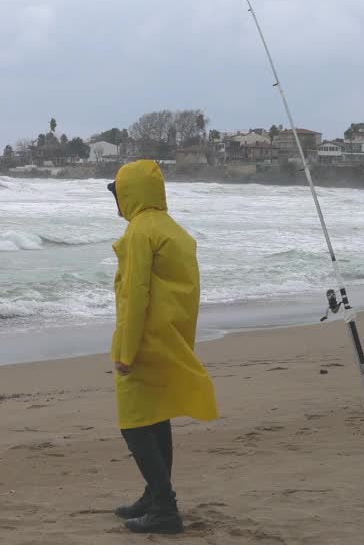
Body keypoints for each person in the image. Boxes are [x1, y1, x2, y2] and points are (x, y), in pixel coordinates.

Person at [107, 160, 219, 535]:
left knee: (134, 425)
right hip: (169, 337)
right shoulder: (174, 230)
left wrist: (125, 351)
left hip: (144, 341)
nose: (116, 201)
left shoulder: (141, 232)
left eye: (118, 193)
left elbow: (135, 294)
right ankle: (154, 496)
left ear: (130, 193)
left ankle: (165, 507)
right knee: (156, 417)